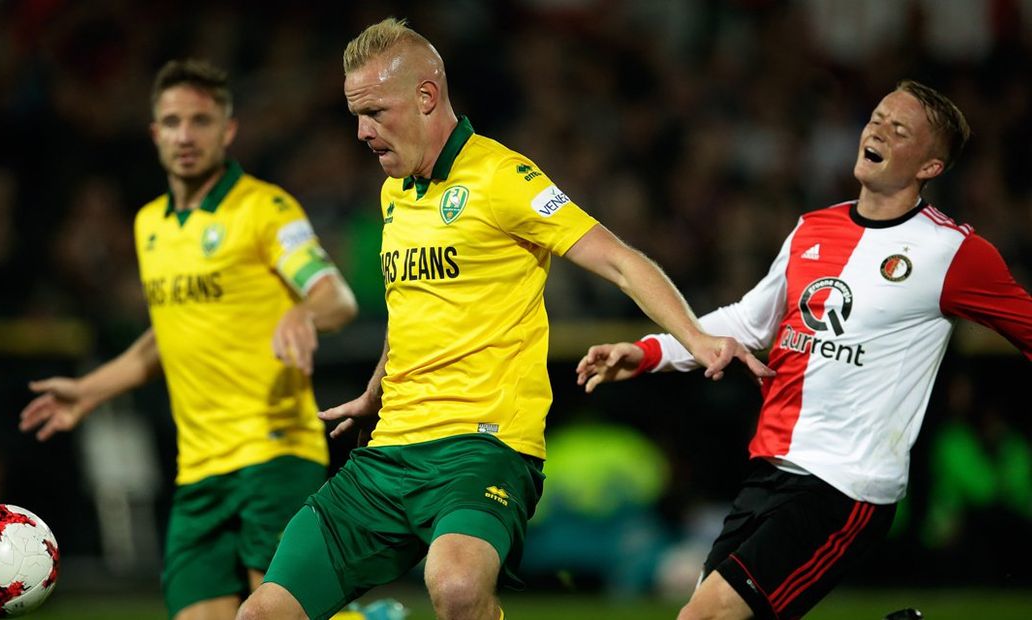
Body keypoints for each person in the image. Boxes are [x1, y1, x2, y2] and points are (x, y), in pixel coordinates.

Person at [237, 18, 772, 620]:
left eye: (375, 112)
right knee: (262, 614)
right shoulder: (395, 191)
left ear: (426, 96)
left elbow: (620, 261)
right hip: (389, 452)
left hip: (483, 446)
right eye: (355, 115)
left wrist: (694, 336)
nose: (362, 132)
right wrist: (372, 392)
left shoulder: (502, 178)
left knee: (458, 589)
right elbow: (411, 305)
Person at [576, 80, 1032, 619]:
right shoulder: (813, 228)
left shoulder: (953, 253)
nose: (877, 130)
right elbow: (749, 321)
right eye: (878, 118)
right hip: (769, 469)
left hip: (844, 485)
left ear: (929, 167)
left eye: (899, 129)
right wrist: (647, 352)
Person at [19, 59, 358, 620]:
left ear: (227, 130)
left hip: (273, 455)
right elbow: (167, 336)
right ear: (154, 132)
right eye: (172, 121)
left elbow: (335, 297)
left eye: (201, 121)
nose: (185, 135)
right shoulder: (149, 224)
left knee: (273, 613)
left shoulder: (266, 209)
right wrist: (90, 391)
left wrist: (304, 312)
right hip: (198, 470)